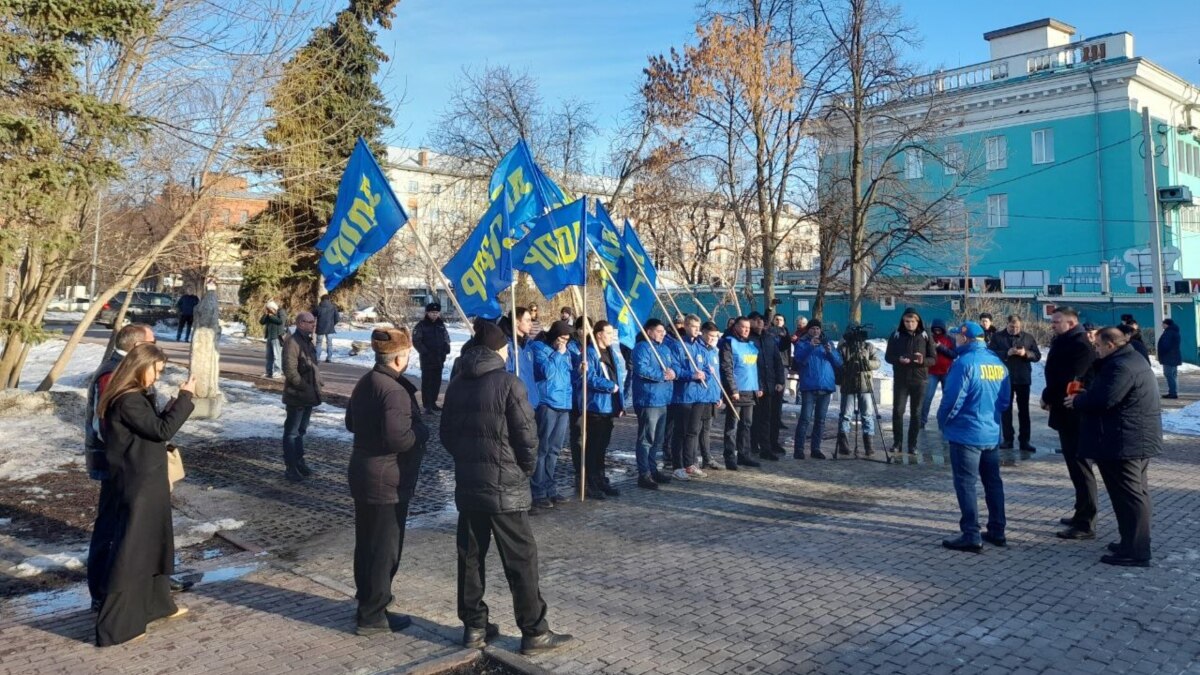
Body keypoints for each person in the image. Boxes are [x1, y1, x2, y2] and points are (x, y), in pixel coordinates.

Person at [441, 319, 574, 655]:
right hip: (505, 489)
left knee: (470, 558)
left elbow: (447, 435)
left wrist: (471, 462)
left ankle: (474, 626)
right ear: (499, 349)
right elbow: (528, 439)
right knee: (521, 560)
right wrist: (522, 471)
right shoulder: (508, 383)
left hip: (471, 486)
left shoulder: (457, 383)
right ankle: (534, 631)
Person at [94, 343, 195, 646]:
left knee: (154, 545)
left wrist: (171, 402)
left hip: (148, 482)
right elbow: (162, 430)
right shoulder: (127, 400)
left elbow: (150, 428)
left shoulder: (135, 398)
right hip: (137, 485)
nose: (157, 377)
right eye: (156, 370)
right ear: (140, 367)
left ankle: (157, 604)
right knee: (133, 550)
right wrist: (186, 397)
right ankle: (117, 625)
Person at [345, 327, 427, 635]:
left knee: (367, 544)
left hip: (366, 472)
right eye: (407, 355)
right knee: (383, 549)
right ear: (399, 358)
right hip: (386, 479)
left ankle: (370, 603)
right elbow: (399, 438)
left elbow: (351, 422)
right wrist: (421, 432)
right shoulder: (393, 390)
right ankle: (373, 614)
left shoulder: (367, 381)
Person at [1065, 327, 1161, 567]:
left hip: (1124, 441)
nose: (1095, 350)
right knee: (1134, 493)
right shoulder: (1130, 359)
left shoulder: (1121, 366)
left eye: (1097, 346)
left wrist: (1079, 400)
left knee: (1130, 495)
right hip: (1131, 437)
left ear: (1110, 345)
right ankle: (1131, 540)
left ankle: (1136, 550)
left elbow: (1105, 400)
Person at [85, 323, 156, 612]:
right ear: (137, 346)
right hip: (116, 463)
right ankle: (102, 590)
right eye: (152, 341)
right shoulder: (111, 373)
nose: (156, 346)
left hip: (129, 461)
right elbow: (106, 426)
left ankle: (143, 581)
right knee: (110, 527)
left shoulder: (124, 368)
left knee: (130, 523)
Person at [938, 322, 1010, 553]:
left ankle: (971, 534)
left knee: (966, 484)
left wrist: (943, 422)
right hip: (990, 431)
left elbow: (952, 400)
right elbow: (1005, 399)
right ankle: (997, 530)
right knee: (993, 482)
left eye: (957, 337)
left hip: (966, 432)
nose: (954, 341)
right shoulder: (997, 363)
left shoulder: (964, 364)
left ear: (966, 338)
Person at [1042, 307, 1098, 539]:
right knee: (1074, 466)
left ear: (1071, 322)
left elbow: (1071, 378)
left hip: (1075, 412)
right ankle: (1080, 512)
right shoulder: (1064, 340)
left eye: (1057, 321)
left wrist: (1049, 396)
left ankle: (1086, 522)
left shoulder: (1080, 345)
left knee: (1081, 466)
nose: (1052, 325)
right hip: (1064, 410)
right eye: (1053, 321)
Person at [528, 320, 574, 509]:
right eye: (563, 338)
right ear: (555, 336)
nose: (565, 342)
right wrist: (558, 354)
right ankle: (537, 489)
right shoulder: (539, 348)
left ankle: (550, 486)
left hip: (564, 403)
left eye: (568, 339)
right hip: (547, 402)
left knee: (555, 449)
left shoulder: (566, 350)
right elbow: (546, 372)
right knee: (543, 448)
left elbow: (566, 372)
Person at [577, 320, 625, 498]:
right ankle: (590, 482)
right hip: (596, 406)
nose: (611, 336)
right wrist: (608, 386)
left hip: (609, 406)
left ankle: (601, 477)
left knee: (602, 447)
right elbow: (588, 378)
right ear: (599, 335)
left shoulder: (610, 352)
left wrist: (619, 402)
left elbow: (617, 376)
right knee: (593, 448)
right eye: (608, 333)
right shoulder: (591, 352)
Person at [631, 319, 678, 490]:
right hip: (648, 398)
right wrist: (662, 375)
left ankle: (653, 468)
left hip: (663, 398)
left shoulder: (664, 349)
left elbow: (673, 367)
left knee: (657, 438)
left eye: (663, 331)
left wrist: (674, 373)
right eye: (659, 331)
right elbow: (641, 369)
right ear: (649, 331)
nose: (663, 333)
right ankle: (644, 473)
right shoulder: (642, 348)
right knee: (647, 438)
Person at [885, 308, 937, 453]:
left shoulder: (925, 336)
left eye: (912, 321)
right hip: (901, 379)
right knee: (898, 411)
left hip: (920, 380)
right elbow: (888, 357)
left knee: (916, 413)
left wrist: (922, 361)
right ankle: (897, 443)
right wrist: (899, 359)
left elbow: (934, 359)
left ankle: (912, 444)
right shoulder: (896, 335)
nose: (909, 324)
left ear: (917, 321)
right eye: (906, 321)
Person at [676, 322, 723, 476]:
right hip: (685, 395)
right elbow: (675, 369)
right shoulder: (681, 345)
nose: (713, 339)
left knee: (694, 431)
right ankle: (679, 465)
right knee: (682, 432)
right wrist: (692, 375)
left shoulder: (708, 349)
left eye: (715, 336)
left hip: (701, 395)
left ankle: (690, 463)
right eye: (694, 327)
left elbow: (709, 371)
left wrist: (706, 376)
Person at [990, 315, 1042, 451]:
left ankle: (1025, 441)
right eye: (1012, 327)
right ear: (1007, 324)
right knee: (1006, 410)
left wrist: (1026, 353)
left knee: (1024, 411)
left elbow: (1037, 356)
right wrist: (1006, 353)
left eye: (1017, 327)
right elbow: (990, 354)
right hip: (1004, 378)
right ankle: (1008, 439)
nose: (1014, 329)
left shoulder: (1028, 337)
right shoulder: (997, 337)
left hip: (1023, 378)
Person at [282, 311, 323, 482]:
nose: (313, 324)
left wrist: (316, 384)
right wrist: (304, 387)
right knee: (292, 432)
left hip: (308, 394)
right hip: (297, 395)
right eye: (309, 322)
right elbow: (290, 370)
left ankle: (299, 462)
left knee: (301, 430)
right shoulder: (292, 342)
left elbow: (312, 366)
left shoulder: (307, 340)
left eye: (314, 321)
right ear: (299, 323)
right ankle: (291, 467)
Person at [793, 319, 843, 459]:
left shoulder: (828, 343)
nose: (815, 331)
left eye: (818, 329)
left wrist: (830, 352)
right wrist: (810, 347)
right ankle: (799, 449)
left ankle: (816, 448)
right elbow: (798, 360)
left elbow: (839, 363)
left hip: (825, 386)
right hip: (809, 385)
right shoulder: (802, 343)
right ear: (808, 330)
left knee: (820, 420)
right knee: (805, 419)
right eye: (813, 328)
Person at [719, 317, 761, 470]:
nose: (746, 330)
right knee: (732, 426)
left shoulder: (750, 345)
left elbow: (754, 368)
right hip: (736, 391)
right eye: (743, 327)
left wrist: (758, 386)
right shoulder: (729, 343)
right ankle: (730, 456)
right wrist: (733, 389)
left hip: (750, 390)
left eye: (748, 328)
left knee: (747, 425)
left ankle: (744, 454)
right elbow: (727, 368)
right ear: (735, 327)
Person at [836, 325, 881, 457]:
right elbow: (838, 364)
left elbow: (877, 363)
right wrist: (848, 365)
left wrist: (866, 363)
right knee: (846, 414)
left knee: (867, 415)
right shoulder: (844, 348)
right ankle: (843, 445)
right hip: (848, 384)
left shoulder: (868, 346)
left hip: (865, 384)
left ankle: (869, 446)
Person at [749, 312, 786, 461]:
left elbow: (777, 361)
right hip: (755, 386)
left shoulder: (769, 339)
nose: (760, 323)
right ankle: (753, 444)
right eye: (756, 321)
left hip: (771, 384)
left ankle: (768, 445)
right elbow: (750, 365)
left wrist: (780, 381)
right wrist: (756, 384)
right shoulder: (748, 340)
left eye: (762, 321)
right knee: (754, 418)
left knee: (770, 417)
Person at [412, 302, 451, 413]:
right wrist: (425, 352)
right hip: (427, 359)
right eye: (432, 312)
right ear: (427, 313)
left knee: (436, 382)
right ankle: (427, 405)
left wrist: (446, 349)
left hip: (439, 358)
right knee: (427, 383)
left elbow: (446, 338)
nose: (435, 315)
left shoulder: (440, 325)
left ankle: (433, 403)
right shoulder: (421, 325)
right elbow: (416, 341)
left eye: (437, 312)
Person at [919, 318, 956, 430]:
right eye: (935, 330)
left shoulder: (950, 339)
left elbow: (954, 354)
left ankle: (946, 421)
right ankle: (921, 421)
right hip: (932, 372)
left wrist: (941, 347)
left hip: (947, 372)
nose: (937, 332)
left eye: (939, 330)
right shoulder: (929, 339)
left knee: (947, 398)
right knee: (927, 397)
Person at [503, 307, 541, 410]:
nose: (531, 324)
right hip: (515, 404)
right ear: (516, 322)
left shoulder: (528, 347)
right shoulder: (507, 347)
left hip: (531, 403)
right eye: (527, 320)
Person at [260, 301, 286, 379]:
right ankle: (269, 372)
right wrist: (265, 314)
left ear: (273, 308)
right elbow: (261, 322)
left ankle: (278, 372)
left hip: (277, 337)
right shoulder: (268, 314)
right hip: (269, 337)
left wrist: (271, 316)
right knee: (269, 356)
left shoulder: (281, 312)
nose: (269, 310)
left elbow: (281, 322)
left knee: (277, 356)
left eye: (269, 308)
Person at [1158, 318, 1182, 399]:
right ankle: (1174, 391)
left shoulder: (1168, 333)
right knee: (1173, 375)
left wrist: (1162, 353)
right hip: (1174, 356)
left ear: (1166, 324)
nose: (1162, 325)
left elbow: (1165, 345)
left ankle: (1172, 393)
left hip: (1169, 357)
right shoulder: (1175, 331)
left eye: (1163, 324)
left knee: (1169, 374)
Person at [314, 294, 340, 363]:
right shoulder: (333, 307)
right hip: (330, 329)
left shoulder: (318, 307)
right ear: (329, 299)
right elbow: (337, 318)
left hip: (320, 328)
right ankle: (329, 358)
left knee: (318, 343)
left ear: (322, 300)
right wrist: (332, 324)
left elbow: (312, 315)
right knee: (329, 343)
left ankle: (317, 358)